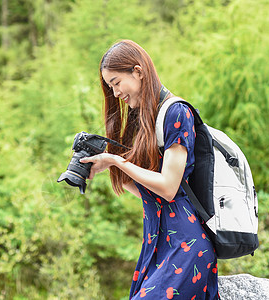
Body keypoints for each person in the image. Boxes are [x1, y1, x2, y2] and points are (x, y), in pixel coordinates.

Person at [80, 40, 219, 299]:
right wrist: (105, 167)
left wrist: (117, 162)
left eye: (116, 83)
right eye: (110, 87)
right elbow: (149, 194)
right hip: (157, 244)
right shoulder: (144, 120)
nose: (115, 94)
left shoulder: (177, 112)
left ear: (138, 71)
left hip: (186, 248)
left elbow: (168, 187)